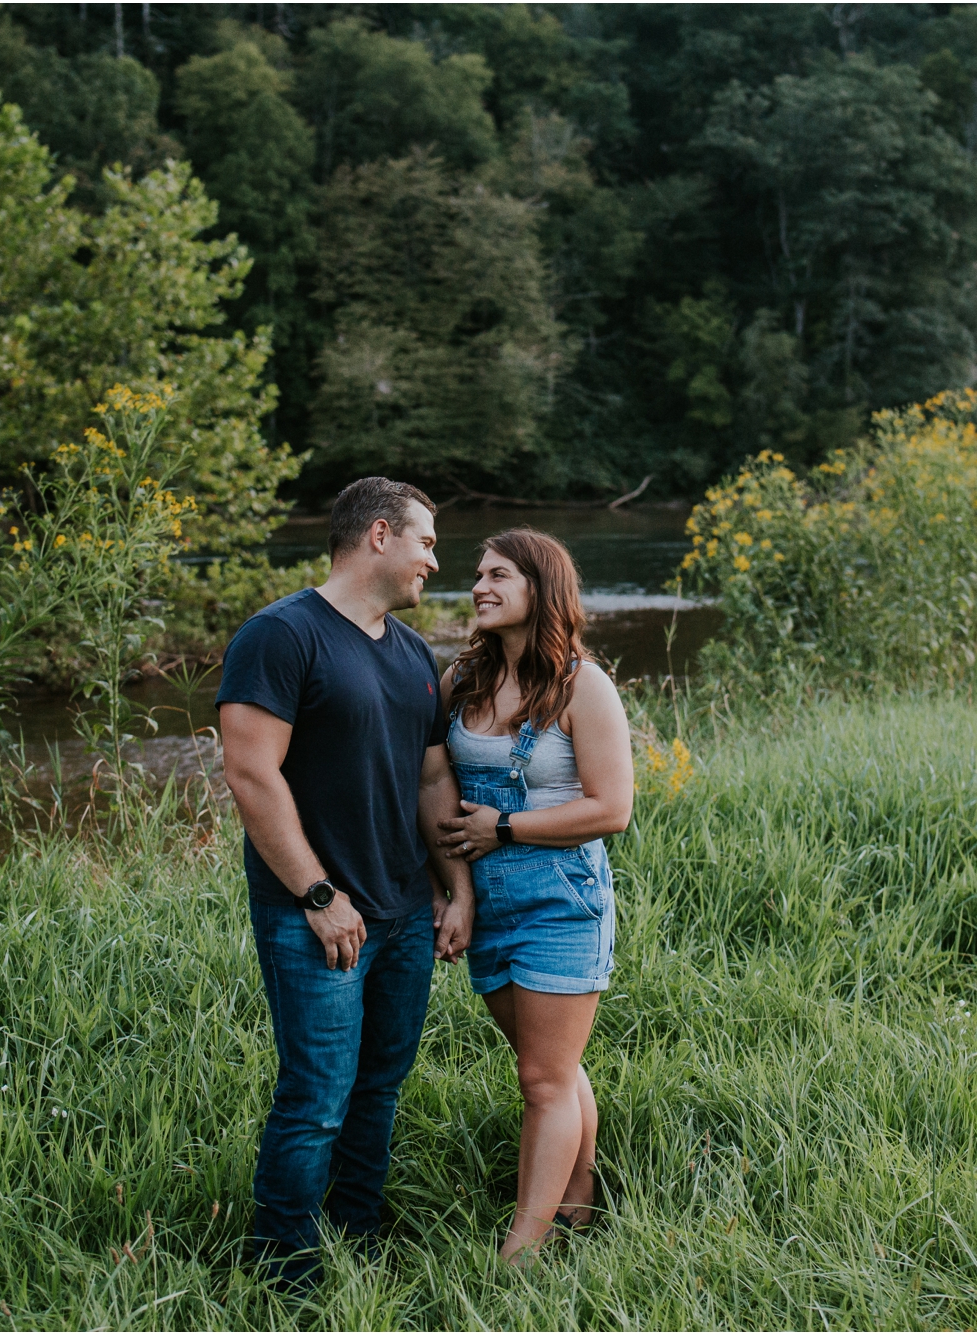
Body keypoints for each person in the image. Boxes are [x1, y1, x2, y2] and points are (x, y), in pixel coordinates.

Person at [217, 477, 476, 1287]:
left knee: (379, 1091)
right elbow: (251, 773)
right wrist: (319, 896)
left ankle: (357, 1239)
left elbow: (433, 781)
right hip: (317, 916)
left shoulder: (411, 653)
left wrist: (455, 888)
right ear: (377, 535)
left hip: (403, 911)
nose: (435, 560)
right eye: (425, 541)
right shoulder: (280, 635)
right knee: (317, 1097)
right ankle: (284, 1271)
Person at [435, 528, 634, 1265]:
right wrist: (453, 890)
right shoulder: (462, 680)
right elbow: (435, 784)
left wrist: (507, 825)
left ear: (540, 587)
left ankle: (522, 1247)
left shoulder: (586, 685)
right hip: (485, 899)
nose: (479, 586)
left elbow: (612, 808)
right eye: (476, 573)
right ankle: (578, 1194)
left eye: (498, 575)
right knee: (548, 1063)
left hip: (559, 897)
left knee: (540, 1077)